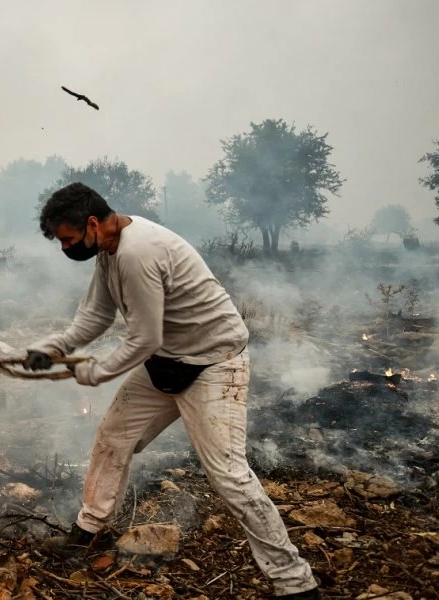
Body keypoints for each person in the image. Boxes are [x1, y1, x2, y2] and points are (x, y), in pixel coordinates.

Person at [25, 183, 319, 599]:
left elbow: (144, 336)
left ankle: (296, 584)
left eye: (68, 239)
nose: (65, 249)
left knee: (230, 477)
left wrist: (98, 371)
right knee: (114, 437)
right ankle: (89, 532)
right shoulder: (110, 250)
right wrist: (54, 347)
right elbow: (95, 314)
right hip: (167, 362)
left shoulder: (136, 252)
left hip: (215, 363)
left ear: (92, 223)